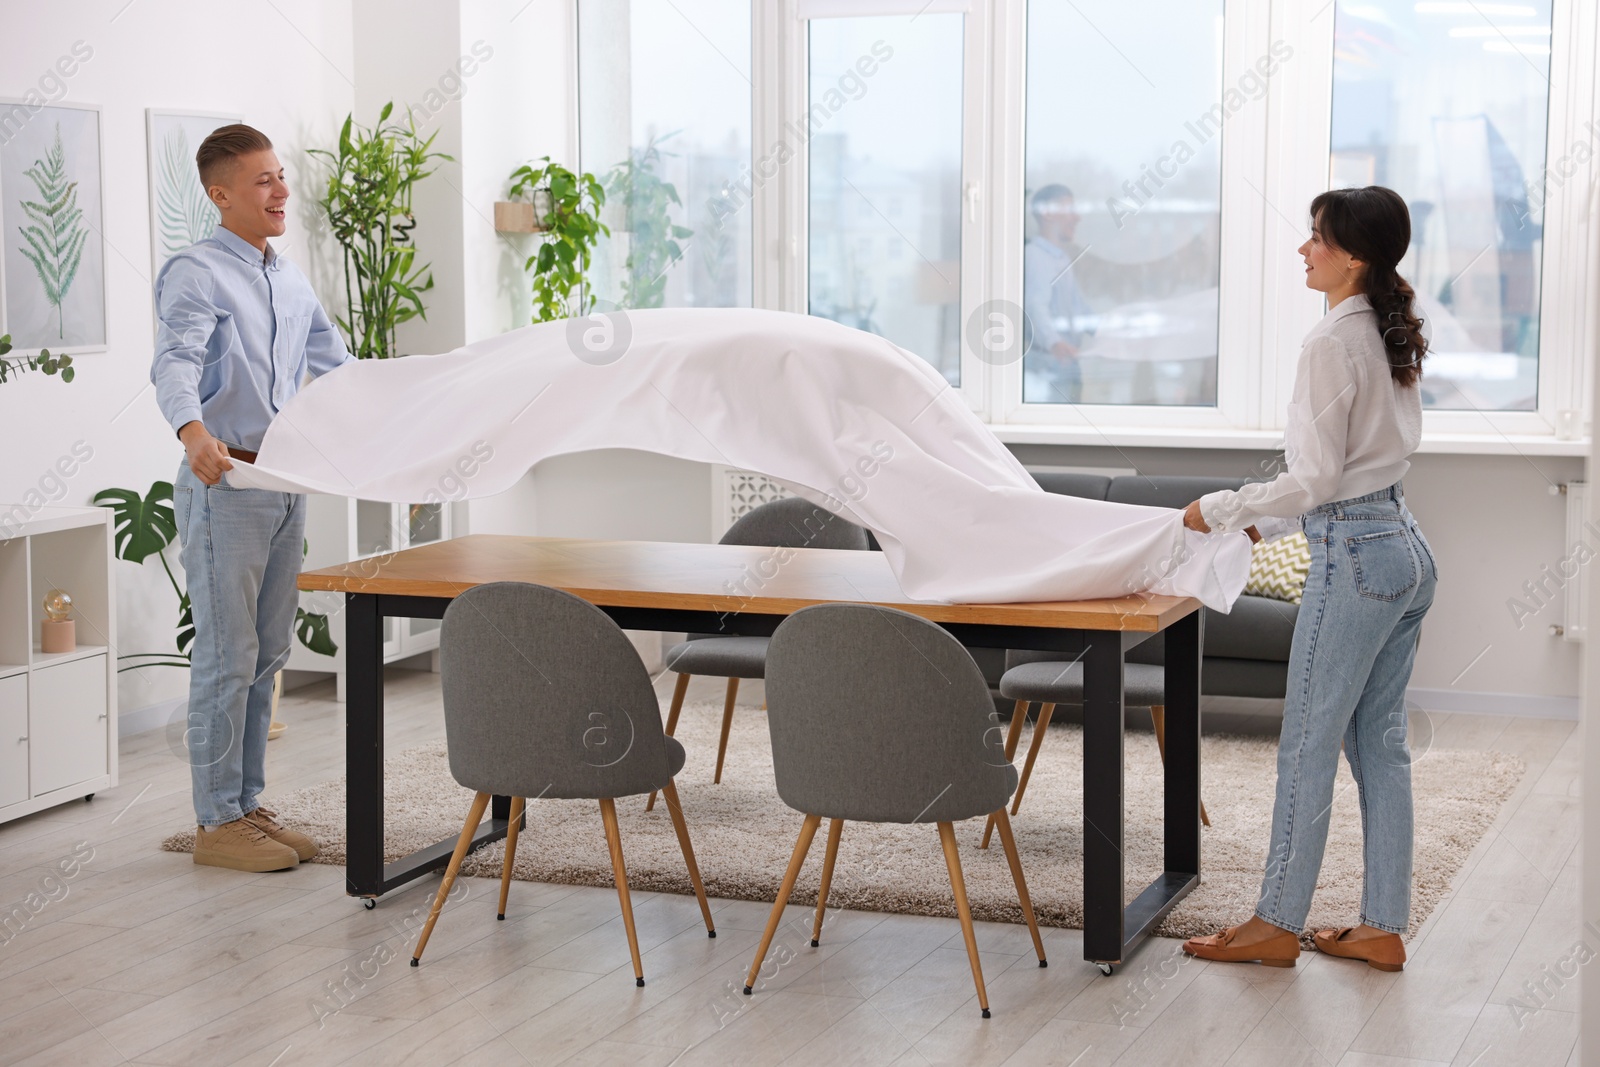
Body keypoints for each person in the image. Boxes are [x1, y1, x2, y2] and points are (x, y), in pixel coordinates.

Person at [1179, 185, 1437, 971]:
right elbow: (1355, 473)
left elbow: (1318, 476)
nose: (1303, 249)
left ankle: (1274, 923)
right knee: (1381, 745)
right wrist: (1272, 516)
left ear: (1353, 255)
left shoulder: (1331, 340)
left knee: (1306, 746)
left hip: (1356, 559)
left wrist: (1223, 508)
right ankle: (1383, 925)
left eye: (1316, 238)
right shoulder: (1387, 330)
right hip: (1404, 548)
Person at [150, 124, 352, 872]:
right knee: (227, 655)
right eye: (263, 180)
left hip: (286, 483)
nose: (280, 192)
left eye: (280, 177)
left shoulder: (289, 277)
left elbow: (338, 368)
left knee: (267, 652)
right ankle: (214, 823)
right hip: (225, 482)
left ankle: (245, 805)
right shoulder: (196, 272)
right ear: (220, 193)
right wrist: (191, 431)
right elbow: (173, 360)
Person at [1022, 184, 1094, 402]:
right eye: (1069, 209)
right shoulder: (1036, 256)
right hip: (1049, 365)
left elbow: (1078, 307)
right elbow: (1036, 306)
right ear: (1048, 213)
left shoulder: (1060, 259)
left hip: (1064, 362)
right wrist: (1054, 342)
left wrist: (1104, 328)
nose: (1077, 217)